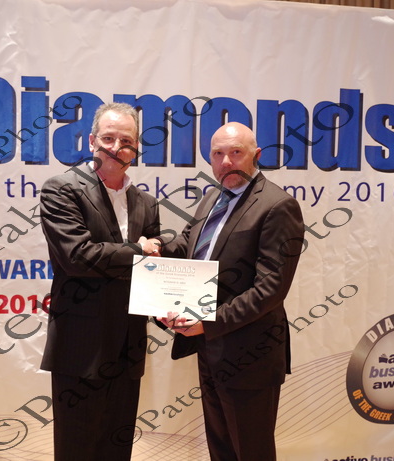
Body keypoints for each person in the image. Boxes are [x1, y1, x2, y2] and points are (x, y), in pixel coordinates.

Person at [152, 122, 305, 461]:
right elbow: (189, 244)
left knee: (251, 451)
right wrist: (158, 245)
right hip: (210, 348)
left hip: (250, 354)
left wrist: (207, 321)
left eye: (236, 152)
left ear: (256, 155)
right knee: (221, 448)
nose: (226, 162)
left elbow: (270, 289)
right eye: (218, 154)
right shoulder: (212, 197)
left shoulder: (278, 206)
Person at [39, 102, 161, 461]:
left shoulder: (147, 203)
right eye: (108, 138)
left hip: (128, 346)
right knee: (76, 449)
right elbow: (77, 257)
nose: (116, 147)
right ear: (92, 141)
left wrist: (175, 303)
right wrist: (137, 250)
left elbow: (151, 271)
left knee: (117, 449)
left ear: (135, 148)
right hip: (80, 347)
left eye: (126, 141)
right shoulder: (61, 189)